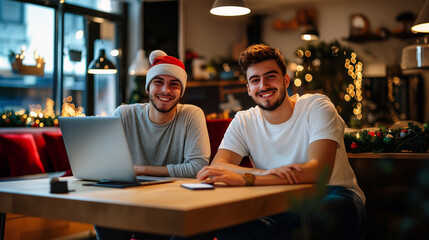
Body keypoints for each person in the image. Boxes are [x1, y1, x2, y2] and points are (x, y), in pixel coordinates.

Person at [196, 44, 366, 239]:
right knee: (225, 223)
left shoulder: (317, 106)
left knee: (326, 214)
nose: (263, 85)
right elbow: (219, 166)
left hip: (332, 195)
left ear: (286, 80)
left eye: (270, 76)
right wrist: (265, 173)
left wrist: (247, 178)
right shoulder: (244, 120)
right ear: (249, 89)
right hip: (277, 201)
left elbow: (318, 172)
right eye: (255, 80)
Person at [95, 50, 211, 240]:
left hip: (178, 204)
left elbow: (197, 168)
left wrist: (141, 169)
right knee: (104, 209)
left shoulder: (191, 114)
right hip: (132, 203)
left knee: (203, 220)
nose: (166, 90)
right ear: (148, 88)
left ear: (181, 92)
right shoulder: (124, 114)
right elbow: (107, 165)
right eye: (158, 82)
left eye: (174, 84)